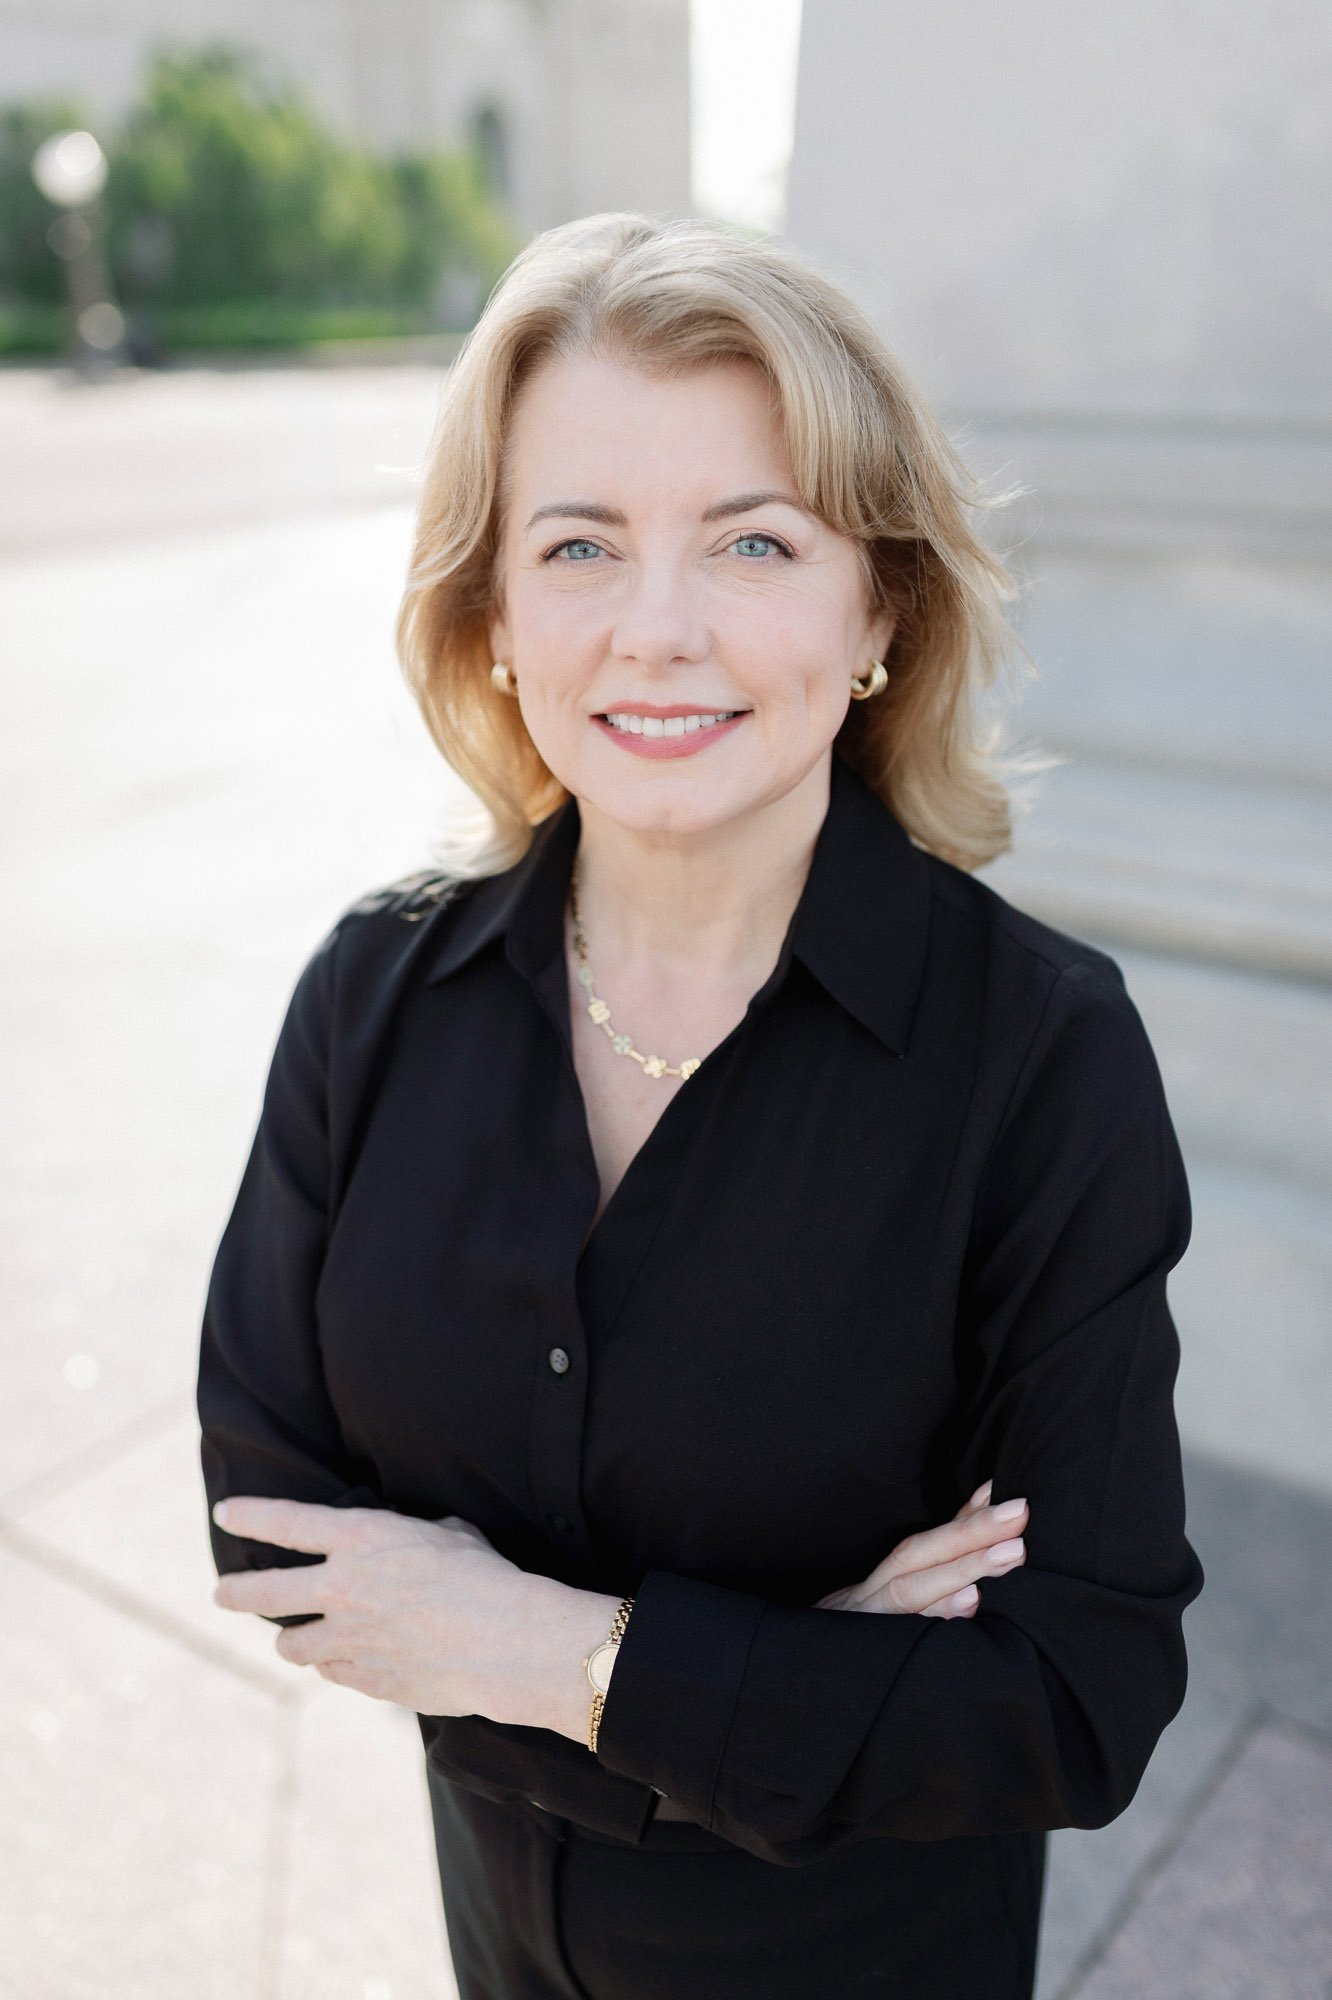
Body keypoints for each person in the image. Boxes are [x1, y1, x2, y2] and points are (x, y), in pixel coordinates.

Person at [199, 215, 1201, 2000]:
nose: (658, 632)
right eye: (579, 544)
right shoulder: (376, 995)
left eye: (754, 539)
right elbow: (277, 1543)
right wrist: (792, 1685)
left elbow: (1068, 1700)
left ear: (878, 604)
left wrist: (544, 1649)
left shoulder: (1041, 1059)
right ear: (493, 616)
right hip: (502, 1945)